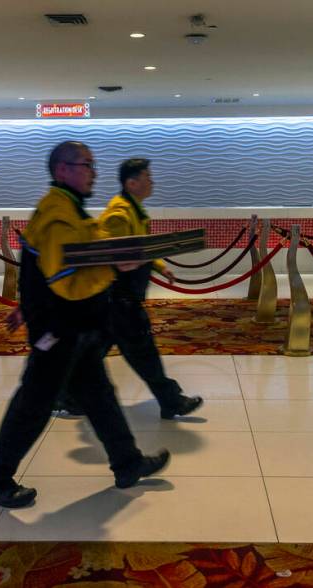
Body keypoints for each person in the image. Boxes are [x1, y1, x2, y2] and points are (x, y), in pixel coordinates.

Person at [0, 141, 170, 509]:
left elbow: (56, 266)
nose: (94, 172)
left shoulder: (72, 210)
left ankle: (127, 463)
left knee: (99, 396)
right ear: (62, 170)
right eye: (86, 165)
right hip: (59, 331)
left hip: (76, 329)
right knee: (33, 405)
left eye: (93, 165)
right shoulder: (58, 215)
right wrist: (114, 268)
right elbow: (66, 280)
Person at [55, 158, 203, 419]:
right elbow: (110, 255)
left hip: (117, 299)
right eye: (147, 177)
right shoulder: (119, 215)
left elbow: (140, 247)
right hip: (118, 298)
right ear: (131, 182)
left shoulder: (134, 210)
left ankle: (64, 395)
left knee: (93, 349)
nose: (152, 181)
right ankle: (171, 401)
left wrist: (158, 265)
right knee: (143, 352)